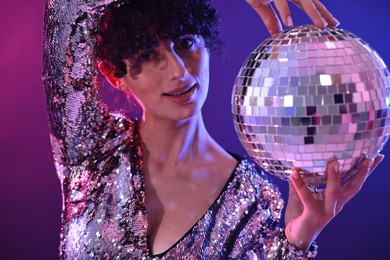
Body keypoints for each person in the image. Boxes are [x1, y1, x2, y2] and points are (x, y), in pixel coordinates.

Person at [42, 0, 383, 259]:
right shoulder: (92, 148)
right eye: (148, 54)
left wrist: (294, 244)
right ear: (114, 73)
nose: (178, 71)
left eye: (186, 42)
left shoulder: (251, 196)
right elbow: (68, 8)